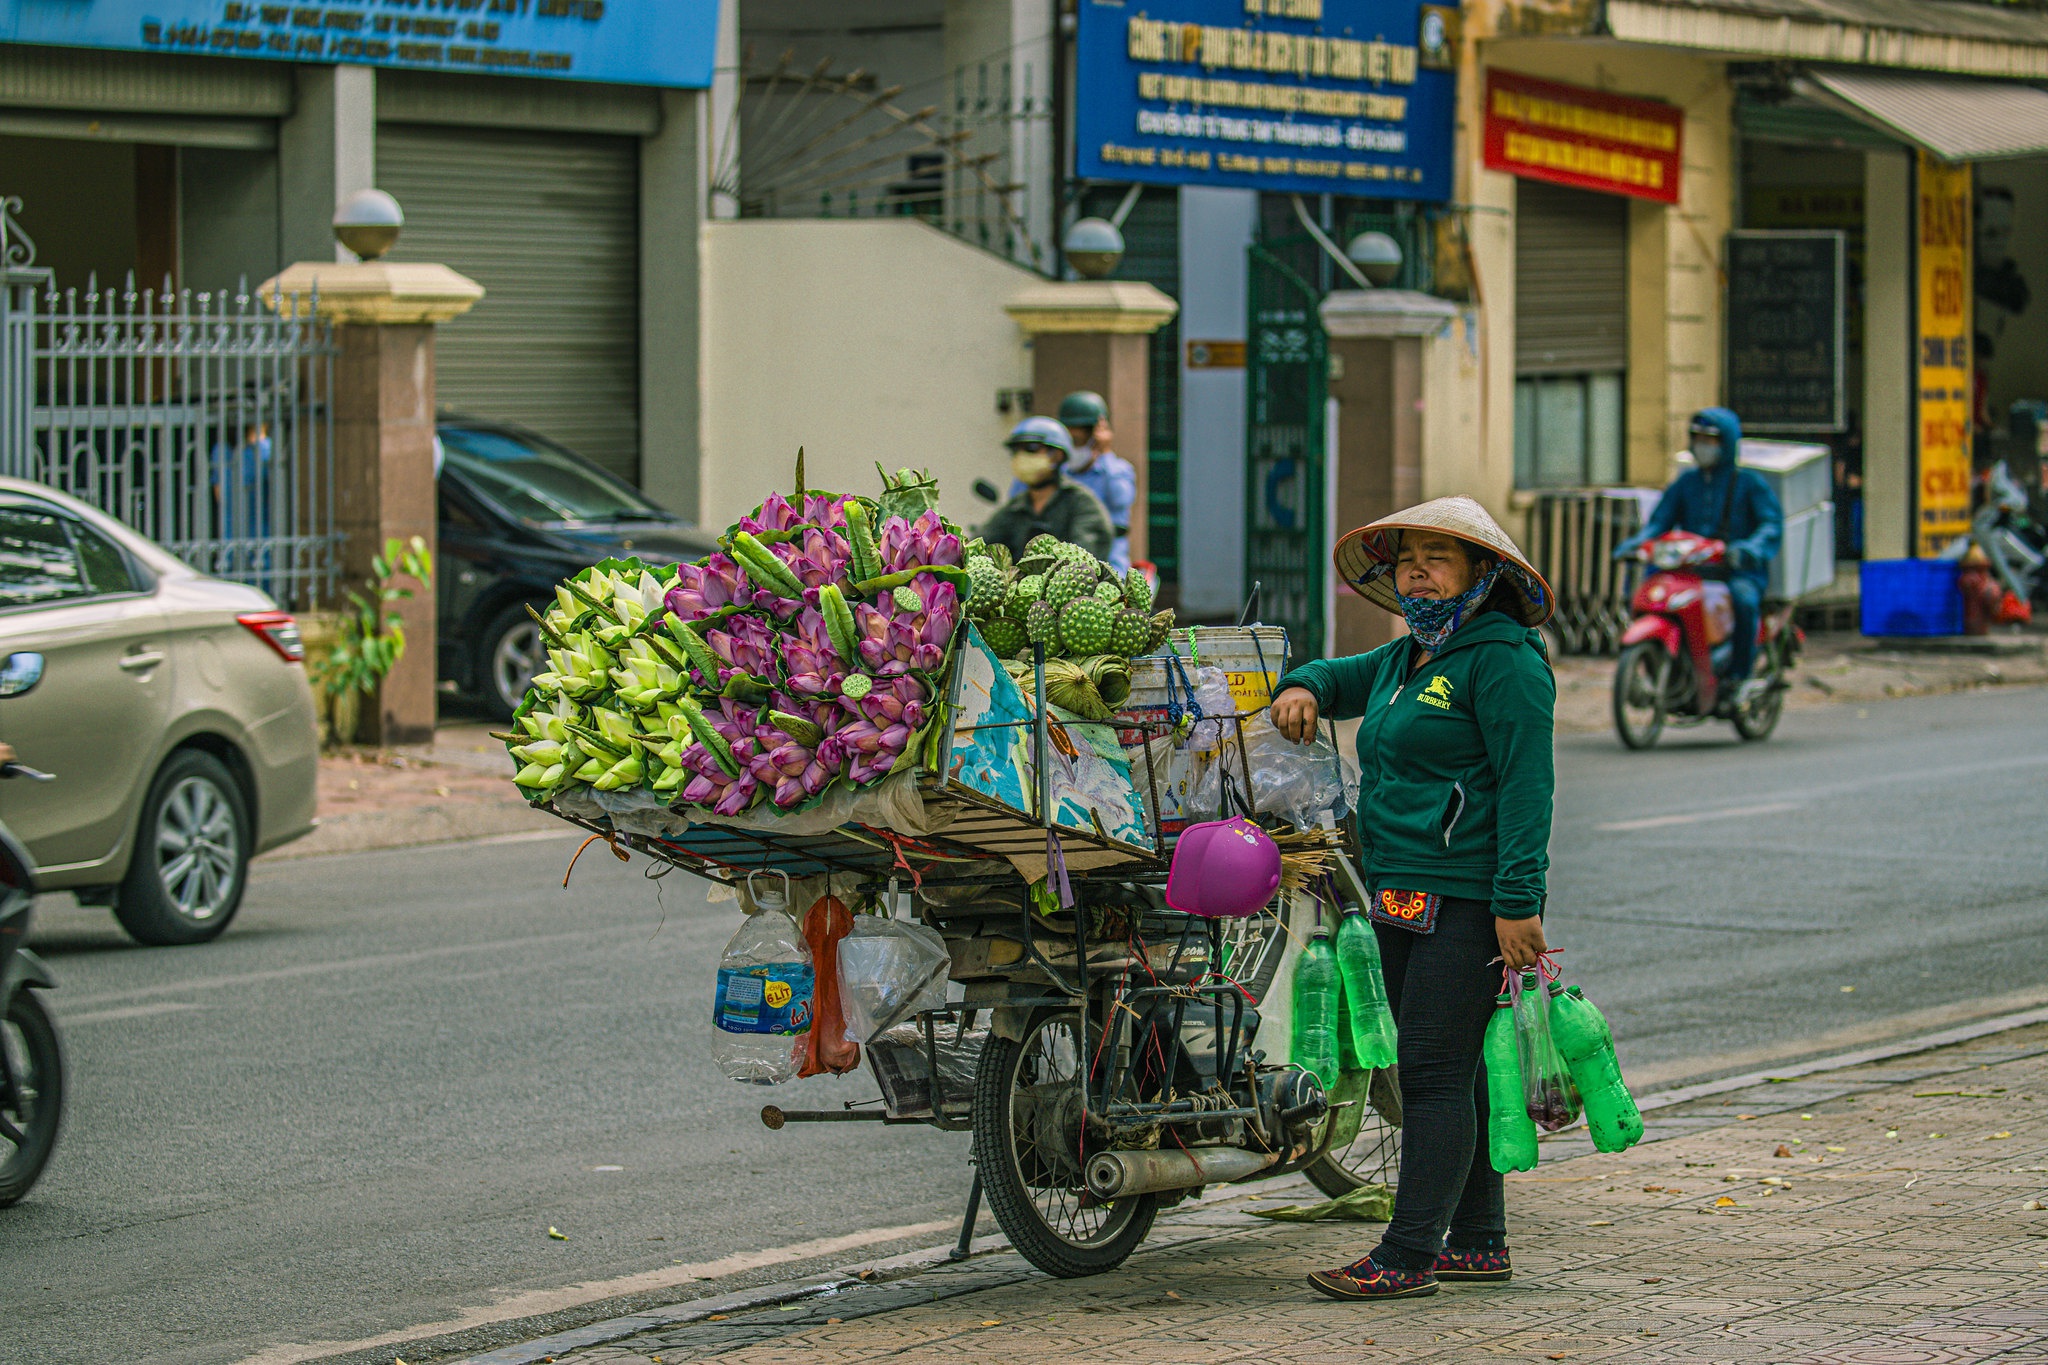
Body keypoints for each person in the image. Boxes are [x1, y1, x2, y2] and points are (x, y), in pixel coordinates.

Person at [1267, 495, 1557, 1302]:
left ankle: (1407, 1252)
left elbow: (1529, 787)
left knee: (1428, 1073)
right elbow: (1334, 675)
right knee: (1456, 1074)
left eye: (1438, 554)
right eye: (1406, 557)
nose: (1417, 568)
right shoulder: (1408, 659)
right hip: (1396, 889)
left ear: (1480, 573)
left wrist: (1517, 901)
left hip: (1467, 896)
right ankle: (1477, 1240)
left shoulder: (1502, 659)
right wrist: (1302, 688)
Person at [1615, 407, 1781, 690]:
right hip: (1691, 570)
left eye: (1711, 440)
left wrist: (1747, 549)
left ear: (1726, 444)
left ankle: (1739, 675)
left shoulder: (1749, 484)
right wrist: (1635, 545)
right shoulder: (1686, 483)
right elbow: (1659, 523)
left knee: (1744, 601)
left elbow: (1770, 525)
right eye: (1698, 439)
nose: (1703, 446)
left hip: (1736, 571)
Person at [1009, 391, 1138, 572]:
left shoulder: (1117, 470)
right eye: (1069, 440)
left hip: (1108, 565)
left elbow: (1121, 500)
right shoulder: (1053, 473)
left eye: (1079, 440)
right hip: (1057, 567)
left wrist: (1106, 452)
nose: (1074, 447)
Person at [979, 415, 1114, 562]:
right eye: (1016, 451)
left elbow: (1086, 557)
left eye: (1031, 449)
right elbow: (983, 545)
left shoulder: (1081, 504)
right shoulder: (1015, 507)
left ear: (1057, 455)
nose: (1021, 457)